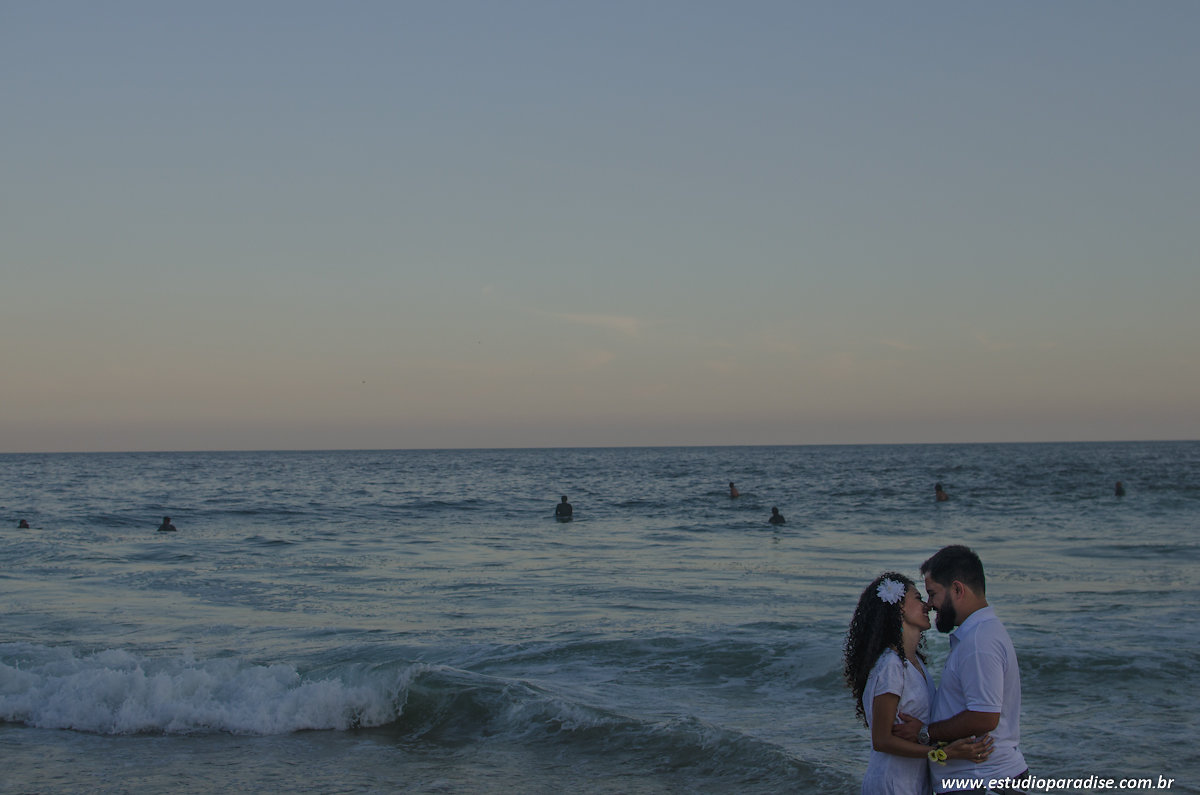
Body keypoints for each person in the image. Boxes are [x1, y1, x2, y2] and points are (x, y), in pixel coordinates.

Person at [845, 572, 993, 794]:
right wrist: (943, 753)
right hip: (891, 784)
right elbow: (882, 740)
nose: (927, 605)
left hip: (915, 783)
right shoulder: (891, 666)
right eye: (918, 598)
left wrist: (948, 744)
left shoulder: (916, 664)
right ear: (900, 608)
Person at [897, 545, 1028, 793]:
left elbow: (984, 716)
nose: (931, 604)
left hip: (984, 781)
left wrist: (925, 733)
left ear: (957, 589)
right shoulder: (979, 635)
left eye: (933, 594)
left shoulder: (979, 641)